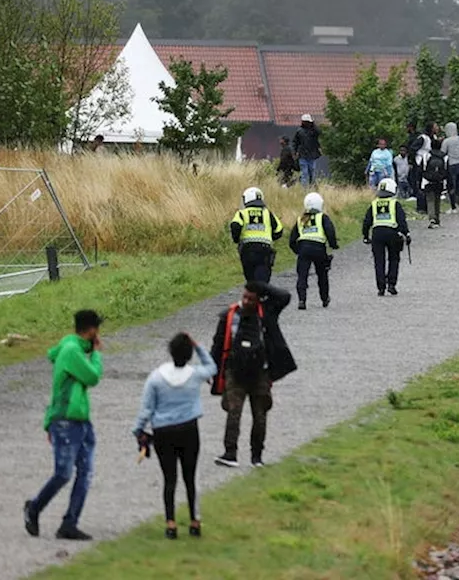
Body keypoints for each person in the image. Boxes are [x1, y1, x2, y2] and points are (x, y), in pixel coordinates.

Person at [24, 310, 104, 541]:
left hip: (80, 420)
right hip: (66, 421)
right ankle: (34, 508)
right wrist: (97, 354)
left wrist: (90, 349)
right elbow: (92, 377)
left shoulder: (73, 347)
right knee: (63, 473)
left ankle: (69, 523)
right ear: (91, 330)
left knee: (85, 473)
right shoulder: (71, 352)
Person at [132, 332, 216, 539]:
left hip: (163, 431)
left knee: (169, 479)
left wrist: (138, 430)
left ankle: (171, 523)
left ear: (170, 352)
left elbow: (146, 409)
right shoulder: (195, 374)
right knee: (190, 478)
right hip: (188, 429)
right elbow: (212, 367)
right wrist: (198, 346)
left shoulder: (156, 377)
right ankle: (194, 521)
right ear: (189, 355)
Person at [212, 282, 296, 468]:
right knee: (233, 412)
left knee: (260, 415)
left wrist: (261, 285)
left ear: (259, 299)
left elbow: (285, 297)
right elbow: (218, 344)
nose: (246, 301)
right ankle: (230, 453)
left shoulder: (267, 312)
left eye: (251, 298)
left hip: (260, 373)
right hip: (235, 372)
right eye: (245, 297)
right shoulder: (229, 315)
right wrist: (213, 369)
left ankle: (256, 456)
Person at [287, 192, 338, 310]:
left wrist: (298, 251)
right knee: (322, 274)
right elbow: (330, 231)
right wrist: (333, 244)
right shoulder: (322, 217)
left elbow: (292, 239)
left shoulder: (301, 219)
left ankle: (302, 300)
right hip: (319, 248)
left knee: (302, 275)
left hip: (304, 248)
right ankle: (324, 298)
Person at [363, 178, 412, 296]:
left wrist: (365, 236)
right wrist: (407, 233)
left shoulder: (374, 204)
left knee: (379, 261)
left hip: (377, 233)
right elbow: (401, 221)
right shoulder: (395, 204)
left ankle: (380, 287)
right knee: (394, 259)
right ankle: (391, 284)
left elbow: (367, 221)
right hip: (392, 233)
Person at [229, 187, 284, 283]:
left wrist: (236, 239)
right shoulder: (267, 213)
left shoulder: (242, 213)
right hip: (264, 250)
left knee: (251, 281)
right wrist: (270, 237)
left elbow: (235, 226)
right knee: (263, 282)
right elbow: (279, 230)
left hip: (247, 250)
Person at [440, 122, 459, 214]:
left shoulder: (446, 141)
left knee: (451, 186)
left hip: (451, 165)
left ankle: (453, 207)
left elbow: (442, 153)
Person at [422, 138, 450, 228]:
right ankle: (437, 219)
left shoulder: (426, 155)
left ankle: (432, 218)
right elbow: (447, 170)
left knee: (430, 200)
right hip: (440, 181)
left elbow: (422, 168)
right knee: (437, 200)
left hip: (428, 180)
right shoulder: (444, 156)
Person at [292, 114, 322, 186]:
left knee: (312, 172)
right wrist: (294, 152)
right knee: (304, 173)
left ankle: (311, 186)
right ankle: (304, 189)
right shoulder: (299, 131)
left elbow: (319, 132)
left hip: (312, 155)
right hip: (303, 156)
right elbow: (295, 142)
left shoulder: (314, 131)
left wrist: (313, 125)